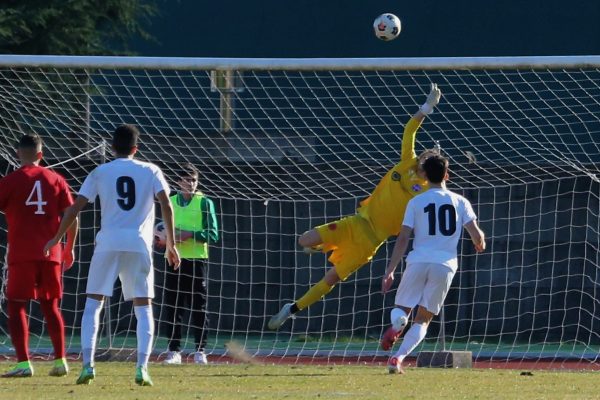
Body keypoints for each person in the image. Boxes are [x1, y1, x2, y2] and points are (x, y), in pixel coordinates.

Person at [268, 83, 442, 330]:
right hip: (356, 223)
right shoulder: (407, 162)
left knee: (330, 279)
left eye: (428, 160)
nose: (423, 160)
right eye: (424, 157)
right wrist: (428, 107)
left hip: (370, 242)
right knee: (304, 240)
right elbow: (410, 130)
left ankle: (291, 309)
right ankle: (320, 248)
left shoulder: (428, 190)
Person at [44, 124, 180, 386]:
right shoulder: (150, 170)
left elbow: (75, 208)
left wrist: (57, 238)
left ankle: (87, 366)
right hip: (139, 243)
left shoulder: (100, 171)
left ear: (113, 147)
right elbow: (166, 203)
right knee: (143, 307)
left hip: (108, 243)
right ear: (136, 148)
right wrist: (172, 244)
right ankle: (142, 368)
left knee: (93, 304)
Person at [381, 154, 485, 374]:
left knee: (402, 308)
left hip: (418, 260)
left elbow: (402, 239)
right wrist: (480, 242)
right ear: (447, 175)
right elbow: (476, 236)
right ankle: (397, 359)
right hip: (444, 265)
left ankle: (397, 324)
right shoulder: (460, 201)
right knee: (423, 320)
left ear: (424, 176)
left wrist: (390, 270)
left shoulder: (415, 202)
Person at [0, 133, 78, 378]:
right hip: (51, 253)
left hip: (22, 253)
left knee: (15, 307)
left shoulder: (10, 181)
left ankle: (24, 363)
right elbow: (72, 214)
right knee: (51, 306)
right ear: (41, 155)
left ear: (17, 155)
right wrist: (69, 247)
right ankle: (60, 360)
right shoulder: (56, 178)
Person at [159, 163, 219, 365]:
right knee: (174, 306)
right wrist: (163, 240)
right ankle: (173, 351)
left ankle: (200, 351)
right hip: (174, 260)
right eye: (187, 179)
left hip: (197, 260)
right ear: (178, 182)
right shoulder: (170, 202)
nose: (191, 183)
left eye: (194, 180)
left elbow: (213, 234)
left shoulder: (204, 203)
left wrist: (189, 234)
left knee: (199, 307)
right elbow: (161, 232)